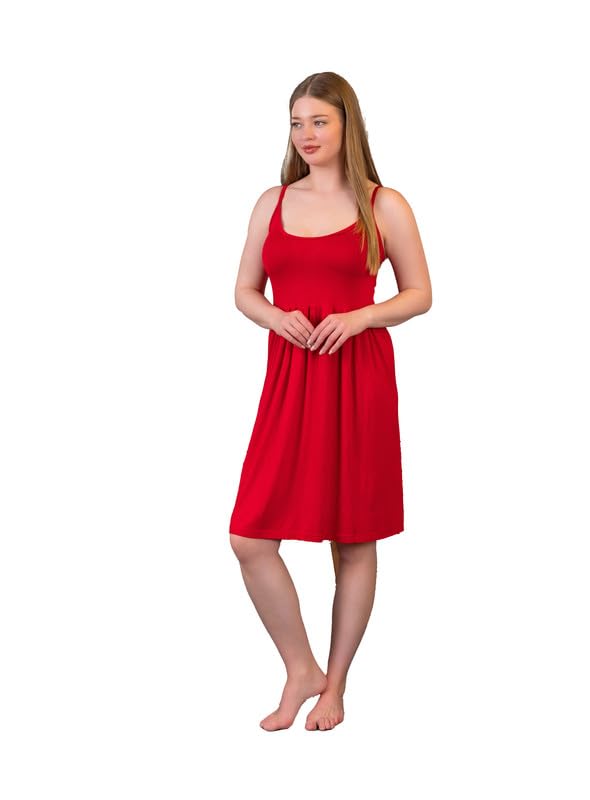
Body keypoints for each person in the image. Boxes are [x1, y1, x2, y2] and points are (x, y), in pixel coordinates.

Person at [228, 71, 432, 732]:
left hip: (357, 379)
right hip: (289, 380)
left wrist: (362, 316)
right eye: (297, 123)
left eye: (319, 121)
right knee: (250, 537)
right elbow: (245, 291)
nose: (306, 134)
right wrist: (275, 317)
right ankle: (301, 669)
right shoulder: (272, 202)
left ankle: (335, 685)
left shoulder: (383, 204)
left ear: (348, 124)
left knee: (353, 535)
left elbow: (420, 293)